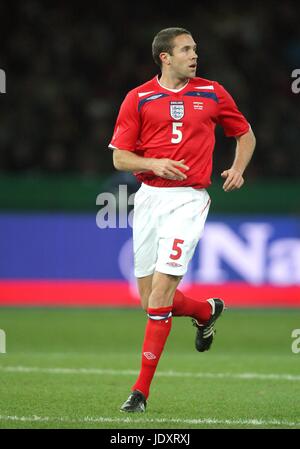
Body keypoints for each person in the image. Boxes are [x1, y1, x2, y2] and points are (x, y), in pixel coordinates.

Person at [108, 27, 256, 412]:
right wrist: (152, 162)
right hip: (148, 200)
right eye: (186, 49)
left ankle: (140, 393)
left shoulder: (212, 92)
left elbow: (245, 134)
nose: (194, 55)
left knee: (160, 297)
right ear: (165, 57)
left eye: (195, 49)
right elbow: (119, 158)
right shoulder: (138, 98)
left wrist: (238, 168)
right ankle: (207, 311)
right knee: (149, 302)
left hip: (189, 200)